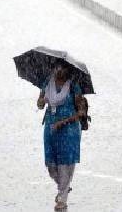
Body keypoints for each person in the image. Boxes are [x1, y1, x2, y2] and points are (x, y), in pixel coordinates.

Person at [37, 61, 86, 210]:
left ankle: (62, 199)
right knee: (51, 165)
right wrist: (40, 102)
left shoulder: (73, 86)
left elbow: (81, 112)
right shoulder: (47, 83)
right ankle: (64, 186)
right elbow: (40, 104)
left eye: (63, 68)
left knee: (65, 165)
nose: (59, 71)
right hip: (50, 129)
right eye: (57, 68)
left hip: (69, 131)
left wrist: (64, 122)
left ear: (68, 70)